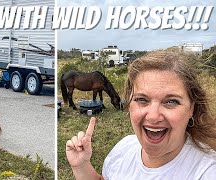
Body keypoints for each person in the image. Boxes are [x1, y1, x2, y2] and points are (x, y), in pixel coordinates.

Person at [66, 49, 216, 179]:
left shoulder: (207, 171)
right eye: (142, 99)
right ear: (130, 104)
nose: (152, 116)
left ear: (192, 108)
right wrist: (82, 167)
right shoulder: (123, 148)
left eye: (171, 101)